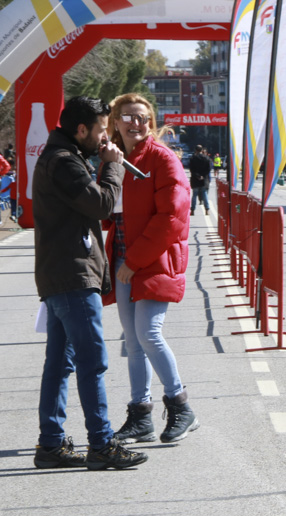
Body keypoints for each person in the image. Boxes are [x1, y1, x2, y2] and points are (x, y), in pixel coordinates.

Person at [32, 96, 148, 470]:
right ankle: (101, 443)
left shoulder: (64, 156)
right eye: (100, 129)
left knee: (60, 362)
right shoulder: (64, 162)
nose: (105, 138)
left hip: (63, 274)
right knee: (91, 361)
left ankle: (51, 443)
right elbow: (101, 205)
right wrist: (113, 168)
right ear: (80, 129)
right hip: (72, 274)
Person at [103, 93, 199, 446]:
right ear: (115, 122)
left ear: (151, 122)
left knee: (148, 334)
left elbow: (172, 218)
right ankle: (139, 415)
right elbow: (105, 208)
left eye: (142, 117)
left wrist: (133, 261)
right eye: (128, 117)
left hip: (152, 259)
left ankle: (180, 405)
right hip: (124, 259)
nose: (136, 123)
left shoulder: (163, 159)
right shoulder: (114, 158)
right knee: (132, 341)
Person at [188, 144, 212, 215]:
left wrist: (197, 176)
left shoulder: (193, 158)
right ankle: (207, 209)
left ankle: (192, 210)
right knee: (204, 194)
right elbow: (209, 169)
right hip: (204, 179)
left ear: (196, 150)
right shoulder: (206, 158)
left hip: (195, 179)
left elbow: (191, 169)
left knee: (194, 195)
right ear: (202, 150)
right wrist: (203, 176)